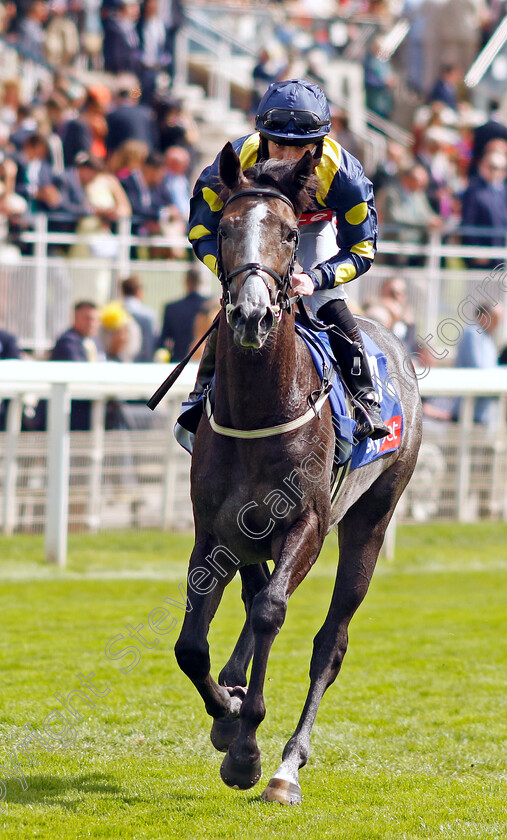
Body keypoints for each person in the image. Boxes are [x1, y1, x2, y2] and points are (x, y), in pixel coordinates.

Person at [187, 79, 389, 440]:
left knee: (326, 299)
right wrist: (231, 274)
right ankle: (201, 392)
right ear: (262, 137)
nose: (286, 157)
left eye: (301, 148)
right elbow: (201, 231)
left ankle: (365, 397)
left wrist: (316, 278)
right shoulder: (233, 159)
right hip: (259, 227)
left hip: (313, 229)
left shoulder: (346, 177)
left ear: (321, 144)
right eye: (278, 144)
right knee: (243, 293)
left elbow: (362, 250)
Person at [158, 266, 206, 362]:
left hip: (178, 360)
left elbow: (163, 340)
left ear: (186, 281)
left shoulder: (172, 308)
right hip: (203, 360)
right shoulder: (208, 307)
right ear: (201, 281)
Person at [120, 275, 157, 361]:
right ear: (139, 291)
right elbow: (149, 345)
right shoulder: (148, 315)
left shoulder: (115, 312)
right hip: (139, 364)